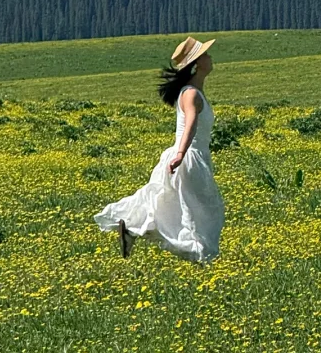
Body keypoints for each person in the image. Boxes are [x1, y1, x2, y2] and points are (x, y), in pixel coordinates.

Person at [94, 36, 224, 263]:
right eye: (205, 55)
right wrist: (181, 155)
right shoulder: (191, 94)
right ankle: (199, 256)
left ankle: (134, 230)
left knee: (177, 206)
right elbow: (191, 125)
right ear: (196, 65)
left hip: (190, 156)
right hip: (189, 157)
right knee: (202, 209)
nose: (210, 58)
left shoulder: (191, 91)